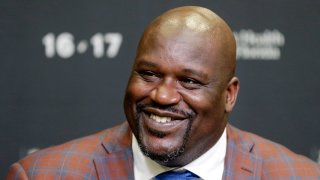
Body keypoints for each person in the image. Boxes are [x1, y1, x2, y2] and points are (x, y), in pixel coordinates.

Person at [6, 6, 320, 180]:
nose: (163, 96)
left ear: (229, 95)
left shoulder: (300, 177)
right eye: (149, 74)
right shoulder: (42, 176)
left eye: (190, 82)